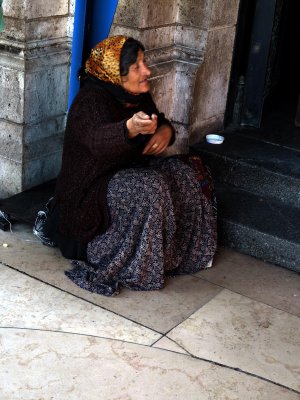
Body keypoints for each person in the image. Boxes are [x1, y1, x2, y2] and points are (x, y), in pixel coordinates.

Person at [38, 35, 217, 296]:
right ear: (114, 74)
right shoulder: (90, 101)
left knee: (187, 171)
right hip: (89, 194)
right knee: (149, 187)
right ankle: (133, 262)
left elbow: (159, 120)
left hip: (130, 171)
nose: (147, 71)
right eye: (137, 67)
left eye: (144, 63)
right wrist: (129, 128)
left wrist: (165, 132)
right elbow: (97, 140)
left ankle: (170, 255)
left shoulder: (135, 97)